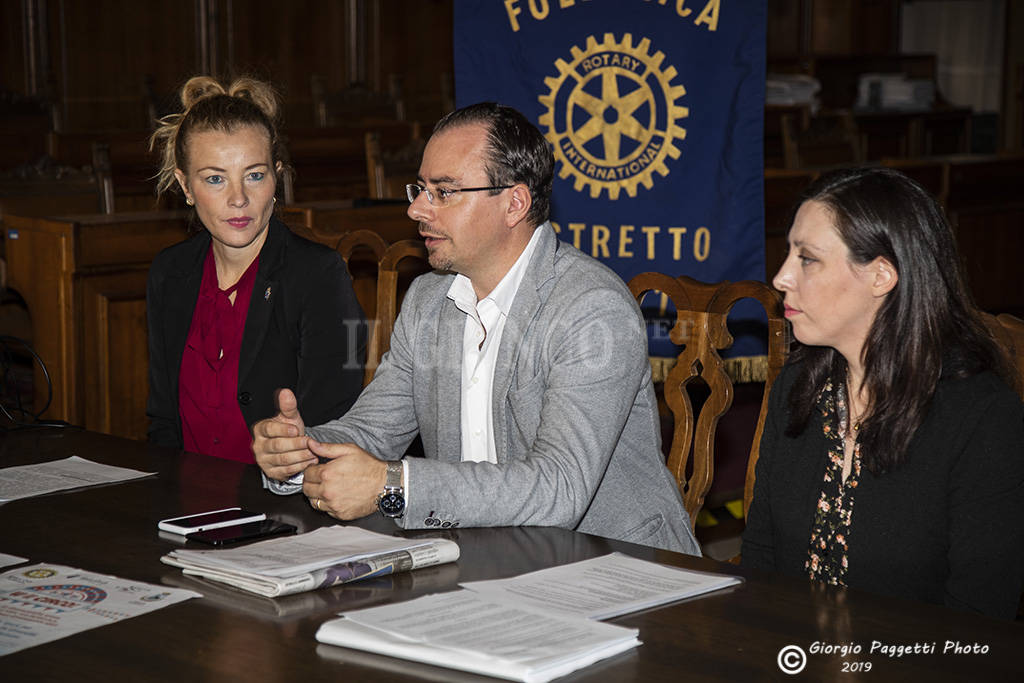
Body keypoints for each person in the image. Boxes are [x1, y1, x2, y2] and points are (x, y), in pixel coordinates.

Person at [253, 102, 700, 555]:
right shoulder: (428, 300)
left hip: (619, 565)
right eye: (420, 188)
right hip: (482, 558)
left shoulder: (591, 308)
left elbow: (560, 489)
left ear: (514, 203)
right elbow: (372, 433)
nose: (417, 210)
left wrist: (395, 484)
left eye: (443, 192)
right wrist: (301, 451)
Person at [741, 167, 1024, 619]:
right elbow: (760, 558)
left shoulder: (981, 419)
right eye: (788, 254)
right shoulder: (798, 388)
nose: (781, 277)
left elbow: (979, 621)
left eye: (807, 259)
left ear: (881, 276)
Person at [146, 76, 365, 463]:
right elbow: (163, 420)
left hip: (282, 504)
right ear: (185, 185)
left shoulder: (318, 275)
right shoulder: (169, 271)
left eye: (255, 175)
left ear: (276, 175)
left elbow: (333, 423)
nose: (239, 198)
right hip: (184, 499)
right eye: (215, 178)